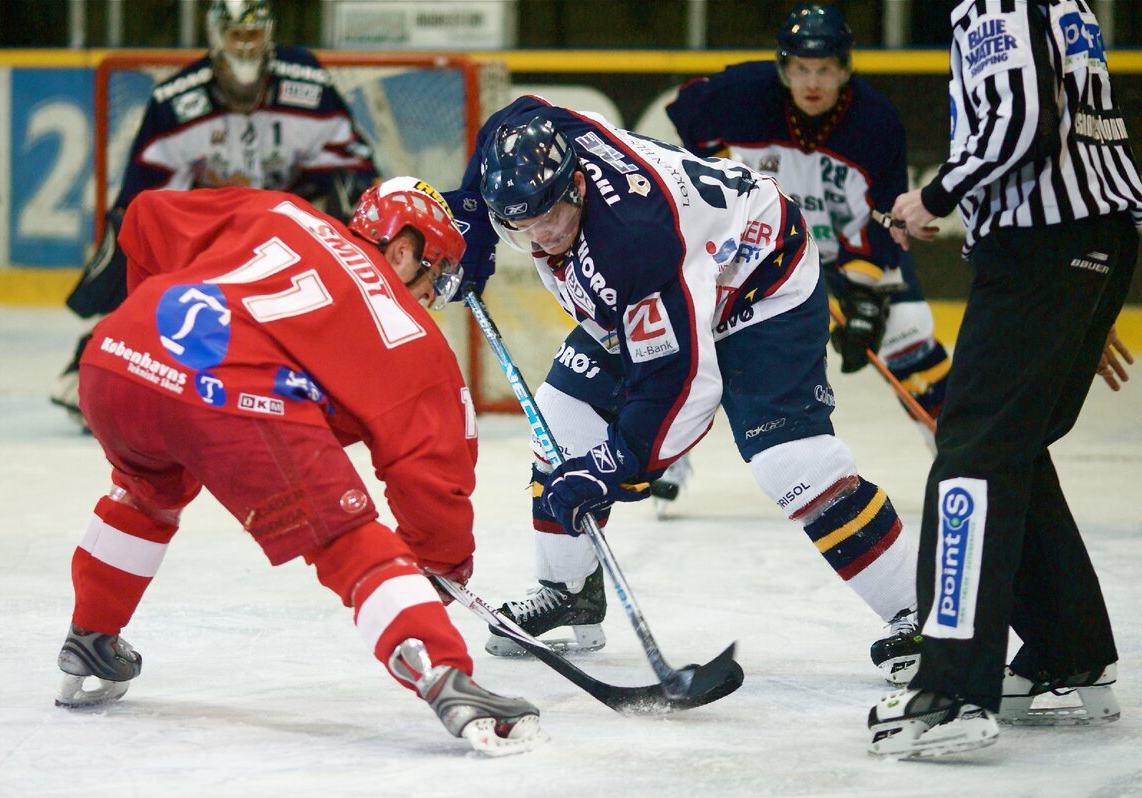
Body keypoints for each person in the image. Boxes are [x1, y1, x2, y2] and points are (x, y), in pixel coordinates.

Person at [52, 178, 546, 757]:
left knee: (147, 492)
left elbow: (145, 217)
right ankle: (447, 677)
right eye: (436, 274)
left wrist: (152, 330)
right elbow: (432, 474)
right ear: (404, 251)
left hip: (117, 355)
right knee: (347, 536)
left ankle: (90, 636)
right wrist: (439, 566)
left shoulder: (275, 208)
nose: (434, 296)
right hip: (231, 391)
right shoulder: (410, 333)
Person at [447, 95, 923, 684]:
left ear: (577, 184)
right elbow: (507, 117)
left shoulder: (632, 242)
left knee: (789, 459)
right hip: (679, 275)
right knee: (561, 414)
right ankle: (568, 589)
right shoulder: (540, 143)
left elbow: (684, 386)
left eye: (550, 215)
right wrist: (473, 228)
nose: (541, 238)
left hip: (757, 282)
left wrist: (617, 465)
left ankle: (917, 610)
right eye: (521, 224)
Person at [867, 0, 1142, 759]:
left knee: (972, 452)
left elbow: (1022, 120)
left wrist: (933, 195)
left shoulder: (994, 1)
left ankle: (953, 689)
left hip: (1040, 249)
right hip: (1089, 247)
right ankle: (1067, 647)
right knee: (1008, 444)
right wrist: (1082, 295)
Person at [51, 0, 377, 431]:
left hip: (289, 229)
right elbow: (143, 200)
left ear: (269, 35)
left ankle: (358, 361)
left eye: (253, 34)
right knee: (138, 236)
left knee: (361, 228)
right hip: (214, 231)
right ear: (215, 36)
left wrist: (349, 228)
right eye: (235, 35)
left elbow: (354, 171)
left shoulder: (308, 83)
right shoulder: (176, 100)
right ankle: (98, 356)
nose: (244, 46)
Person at [667, 3, 952, 457]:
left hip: (844, 249)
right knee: (693, 331)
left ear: (845, 70)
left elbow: (885, 220)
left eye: (825, 69)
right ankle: (668, 460)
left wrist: (862, 297)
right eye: (801, 69)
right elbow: (684, 114)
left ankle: (959, 449)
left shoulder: (877, 124)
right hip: (768, 248)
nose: (813, 83)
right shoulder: (744, 92)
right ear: (783, 67)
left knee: (908, 330)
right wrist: (717, 181)